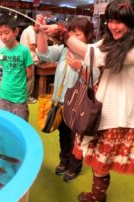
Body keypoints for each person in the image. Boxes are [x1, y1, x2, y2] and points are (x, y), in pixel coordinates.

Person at [38, 0, 134, 201]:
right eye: (110, 20)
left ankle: (97, 196)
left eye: (120, 21)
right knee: (97, 159)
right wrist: (51, 33)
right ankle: (96, 194)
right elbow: (91, 51)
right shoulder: (111, 41)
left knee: (101, 162)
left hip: (120, 113)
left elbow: (97, 56)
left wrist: (64, 35)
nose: (113, 26)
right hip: (101, 107)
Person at [36, 17, 98, 183]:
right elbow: (43, 53)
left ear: (88, 36)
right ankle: (64, 160)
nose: (73, 38)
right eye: (70, 34)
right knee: (63, 135)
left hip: (78, 105)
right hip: (60, 103)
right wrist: (41, 31)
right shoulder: (64, 49)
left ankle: (74, 166)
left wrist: (80, 68)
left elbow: (94, 79)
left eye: (77, 35)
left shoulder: (91, 53)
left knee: (75, 138)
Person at [0, 14, 33, 121]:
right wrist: (2, 82)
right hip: (3, 95)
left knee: (20, 124)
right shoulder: (1, 51)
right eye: (0, 33)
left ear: (15, 31)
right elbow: (5, 71)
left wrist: (18, 84)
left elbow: (29, 75)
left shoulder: (24, 50)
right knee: (5, 124)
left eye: (7, 32)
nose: (3, 36)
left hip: (19, 97)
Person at [20, 23, 39, 104]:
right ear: (35, 24)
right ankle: (27, 97)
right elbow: (32, 46)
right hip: (29, 58)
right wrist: (41, 54)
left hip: (23, 57)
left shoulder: (26, 30)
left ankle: (24, 96)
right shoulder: (31, 31)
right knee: (30, 79)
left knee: (25, 78)